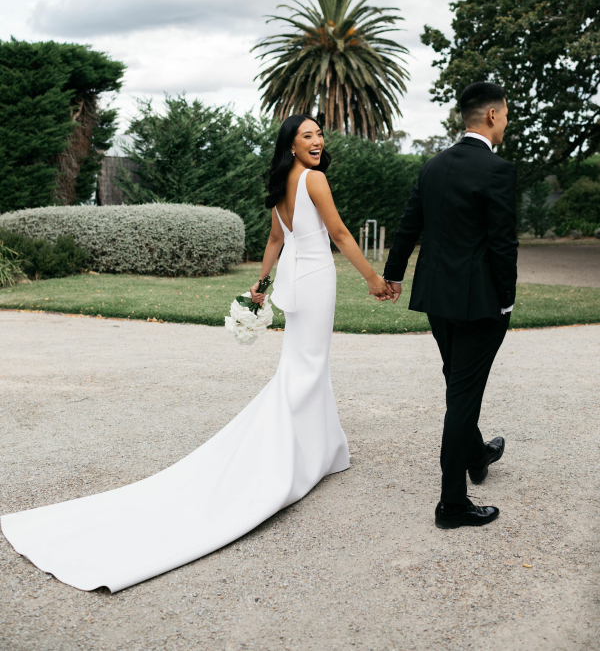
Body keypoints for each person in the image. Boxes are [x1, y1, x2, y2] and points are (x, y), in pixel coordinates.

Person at [1, 114, 391, 592]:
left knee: (303, 365)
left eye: (318, 134)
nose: (317, 141)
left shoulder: (283, 183)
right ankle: (291, 457)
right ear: (290, 145)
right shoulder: (315, 179)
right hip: (315, 279)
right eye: (306, 135)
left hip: (296, 280)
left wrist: (262, 283)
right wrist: (372, 278)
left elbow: (274, 239)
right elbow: (341, 234)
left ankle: (325, 448)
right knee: (308, 367)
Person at [383, 83, 518, 529]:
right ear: (493, 116)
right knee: (463, 396)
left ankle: (477, 455)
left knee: (458, 383)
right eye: (506, 114)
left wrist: (395, 274)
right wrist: (507, 300)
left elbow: (408, 225)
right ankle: (452, 504)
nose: (506, 122)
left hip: (437, 299)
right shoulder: (497, 169)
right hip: (479, 305)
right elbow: (502, 245)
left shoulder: (433, 167)